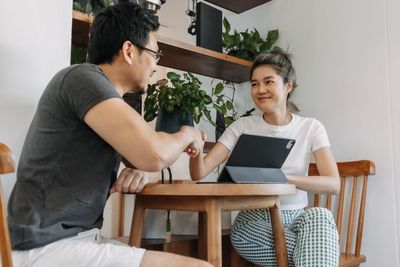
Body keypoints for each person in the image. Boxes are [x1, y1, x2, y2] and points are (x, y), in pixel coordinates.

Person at [7, 3, 211, 267]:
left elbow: (143, 159)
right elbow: (155, 153)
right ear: (128, 51)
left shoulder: (105, 103)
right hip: (45, 246)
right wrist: (187, 132)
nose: (156, 64)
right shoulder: (82, 79)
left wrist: (143, 172)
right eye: (155, 53)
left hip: (77, 240)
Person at [189, 47, 341, 266]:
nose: (260, 89)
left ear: (288, 86)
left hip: (297, 218)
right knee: (315, 250)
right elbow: (199, 172)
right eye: (254, 83)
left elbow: (333, 184)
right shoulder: (242, 126)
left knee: (321, 216)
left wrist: (282, 179)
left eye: (268, 81)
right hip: (253, 221)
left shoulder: (311, 127)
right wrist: (196, 149)